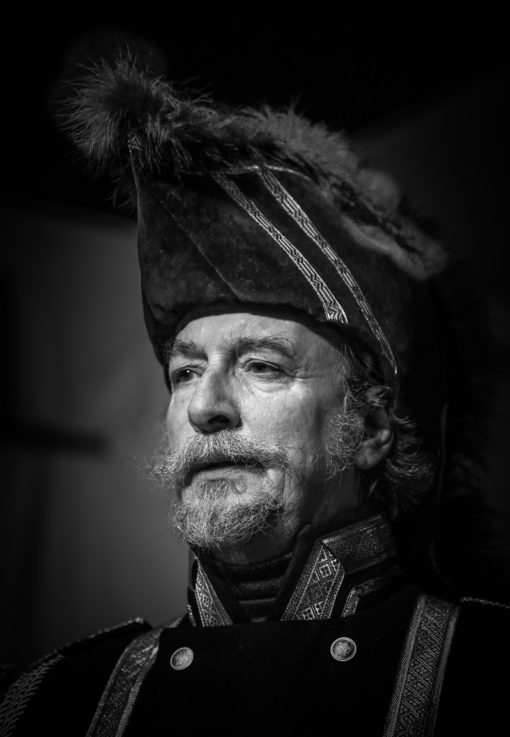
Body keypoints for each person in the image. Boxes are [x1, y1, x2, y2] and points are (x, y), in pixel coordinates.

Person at [1, 47, 509, 736]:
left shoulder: (485, 676)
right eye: (185, 371)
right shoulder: (49, 704)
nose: (205, 406)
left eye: (262, 366)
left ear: (372, 426)